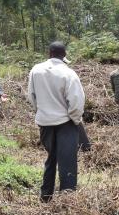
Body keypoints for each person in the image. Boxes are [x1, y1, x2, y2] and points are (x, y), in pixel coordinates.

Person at [27, 42, 85, 202]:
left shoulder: (36, 70)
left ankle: (46, 195)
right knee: (67, 161)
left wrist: (41, 111)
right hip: (65, 123)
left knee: (51, 157)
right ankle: (68, 200)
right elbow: (76, 101)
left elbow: (31, 96)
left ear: (49, 53)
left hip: (45, 123)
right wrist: (75, 119)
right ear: (64, 55)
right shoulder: (68, 73)